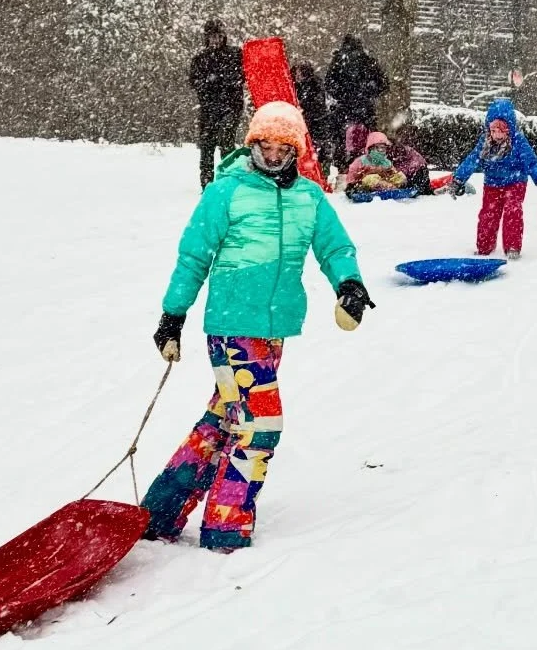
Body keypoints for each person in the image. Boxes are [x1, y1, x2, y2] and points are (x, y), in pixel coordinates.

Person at [141, 101, 372, 552]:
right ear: (252, 145)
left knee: (226, 419)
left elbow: (335, 247)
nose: (271, 154)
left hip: (274, 327)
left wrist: (350, 285)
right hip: (231, 326)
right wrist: (173, 316)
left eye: (281, 146)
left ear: (296, 148)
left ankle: (160, 513)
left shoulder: (309, 197)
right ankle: (226, 526)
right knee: (261, 423)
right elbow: (193, 257)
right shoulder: (226, 192)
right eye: (263, 145)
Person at [450, 98, 537, 258]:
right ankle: (484, 247)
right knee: (488, 213)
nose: (497, 135)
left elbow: (532, 163)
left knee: (512, 212)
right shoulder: (485, 143)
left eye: (501, 130)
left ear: (509, 129)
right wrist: (458, 180)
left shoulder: (518, 142)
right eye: (493, 130)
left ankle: (512, 247)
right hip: (492, 183)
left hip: (515, 182)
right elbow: (472, 160)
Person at [188, 19, 245, 188]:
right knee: (207, 144)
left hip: (231, 106)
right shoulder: (200, 59)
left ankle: (228, 178)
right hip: (209, 108)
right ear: (207, 38)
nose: (216, 40)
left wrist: (221, 81)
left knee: (226, 140)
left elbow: (241, 77)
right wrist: (208, 82)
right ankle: (207, 181)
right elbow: (194, 82)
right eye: (212, 37)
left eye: (219, 36)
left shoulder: (235, 54)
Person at [325, 33, 389, 167]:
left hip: (344, 106)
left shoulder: (338, 60)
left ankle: (342, 163)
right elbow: (383, 83)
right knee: (367, 136)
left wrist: (341, 94)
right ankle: (366, 161)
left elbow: (329, 83)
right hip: (364, 106)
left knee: (341, 138)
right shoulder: (368, 61)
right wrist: (368, 92)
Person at [291, 60, 334, 183]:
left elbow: (317, 103)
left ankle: (322, 177)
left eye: (301, 73)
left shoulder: (315, 83)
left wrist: (304, 108)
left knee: (320, 151)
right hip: (307, 123)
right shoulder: (295, 85)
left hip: (318, 122)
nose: (298, 76)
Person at [344, 132, 409, 200]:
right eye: (379, 148)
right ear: (371, 148)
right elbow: (351, 179)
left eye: (384, 148)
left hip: (387, 184)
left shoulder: (386, 162)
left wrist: (392, 174)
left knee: (400, 176)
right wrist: (355, 187)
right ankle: (388, 189)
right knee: (370, 178)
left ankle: (394, 189)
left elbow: (393, 174)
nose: (382, 151)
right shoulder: (361, 161)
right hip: (365, 187)